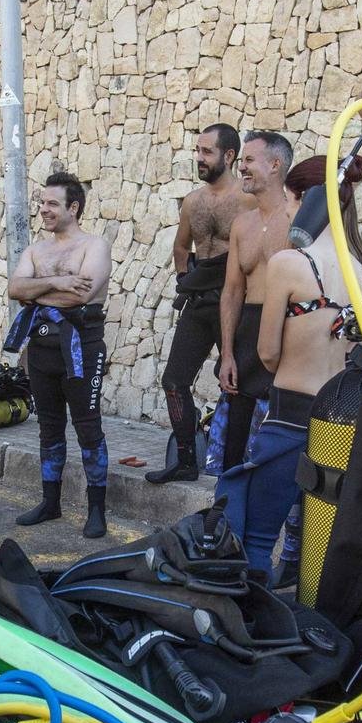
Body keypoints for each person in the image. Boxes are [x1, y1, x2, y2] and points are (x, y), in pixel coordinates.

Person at [218, 175, 362, 575]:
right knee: (318, 541)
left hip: (288, 415)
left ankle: (253, 624)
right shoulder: (358, 268)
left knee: (258, 535)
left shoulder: (289, 263)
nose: (285, 210)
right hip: (337, 419)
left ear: (308, 200)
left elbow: (267, 352)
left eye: (289, 200)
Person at [7, 172, 112, 539]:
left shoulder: (93, 246)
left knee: (88, 427)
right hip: (41, 350)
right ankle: (50, 502)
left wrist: (35, 293)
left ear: (73, 207)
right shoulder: (36, 250)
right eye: (42, 203)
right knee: (48, 427)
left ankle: (96, 508)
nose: (44, 210)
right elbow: (14, 288)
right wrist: (55, 282)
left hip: (81, 349)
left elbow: (81, 296)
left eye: (52, 203)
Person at [146, 123, 250, 484]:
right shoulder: (193, 201)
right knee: (174, 380)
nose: (199, 159)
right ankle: (187, 460)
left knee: (237, 385)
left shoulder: (247, 200)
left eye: (207, 152)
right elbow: (180, 246)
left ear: (229, 155)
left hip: (235, 299)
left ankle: (233, 464)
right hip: (199, 297)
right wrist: (183, 277)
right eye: (198, 151)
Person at [211, 131, 297, 474]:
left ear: (275, 165)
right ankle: (226, 521)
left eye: (249, 160)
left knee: (275, 447)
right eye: (241, 160)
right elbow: (232, 291)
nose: (241, 167)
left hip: (288, 335)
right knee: (233, 449)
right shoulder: (241, 225)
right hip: (246, 337)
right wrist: (227, 354)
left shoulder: (299, 220)